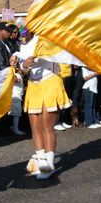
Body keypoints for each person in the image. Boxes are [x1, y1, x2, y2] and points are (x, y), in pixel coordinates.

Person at [19, 32, 71, 179]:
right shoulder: (23, 44)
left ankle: (49, 165)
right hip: (33, 85)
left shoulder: (48, 38)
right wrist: (23, 65)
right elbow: (22, 70)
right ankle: (41, 162)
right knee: (35, 127)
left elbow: (54, 54)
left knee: (46, 126)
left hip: (50, 82)